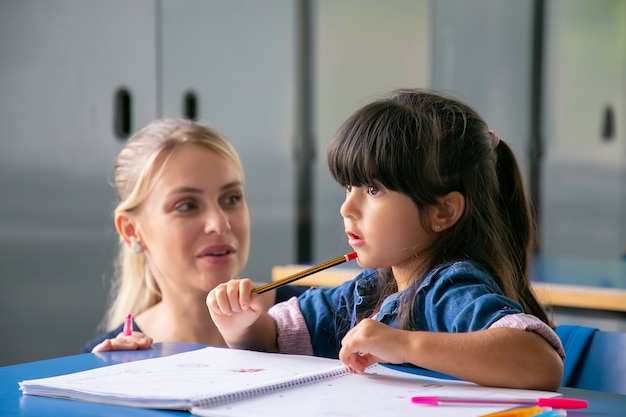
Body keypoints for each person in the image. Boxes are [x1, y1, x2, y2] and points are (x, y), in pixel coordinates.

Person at [206, 89, 565, 391]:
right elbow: (274, 341)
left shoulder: (450, 288)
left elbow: (540, 364)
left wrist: (404, 344)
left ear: (443, 212)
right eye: (349, 186)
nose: (348, 207)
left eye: (373, 189)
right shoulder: (369, 289)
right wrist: (243, 326)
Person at [82, 118, 304, 353]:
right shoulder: (105, 359)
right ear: (131, 231)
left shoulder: (320, 318)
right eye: (186, 206)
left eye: (232, 199)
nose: (219, 224)